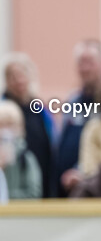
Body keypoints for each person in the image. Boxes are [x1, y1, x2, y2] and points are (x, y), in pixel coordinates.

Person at [56, 39, 101, 196]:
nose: (85, 68)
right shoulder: (73, 100)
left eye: (90, 62)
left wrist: (81, 170)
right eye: (81, 62)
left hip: (97, 187)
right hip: (67, 188)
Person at [2, 52, 56, 196]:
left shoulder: (39, 109)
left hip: (42, 175)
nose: (18, 80)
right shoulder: (3, 108)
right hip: (14, 182)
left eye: (22, 75)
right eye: (12, 76)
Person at [0, 100, 43, 199]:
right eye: (1, 124)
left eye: (10, 124)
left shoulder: (26, 158)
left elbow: (34, 193)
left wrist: (6, 196)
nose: (5, 130)